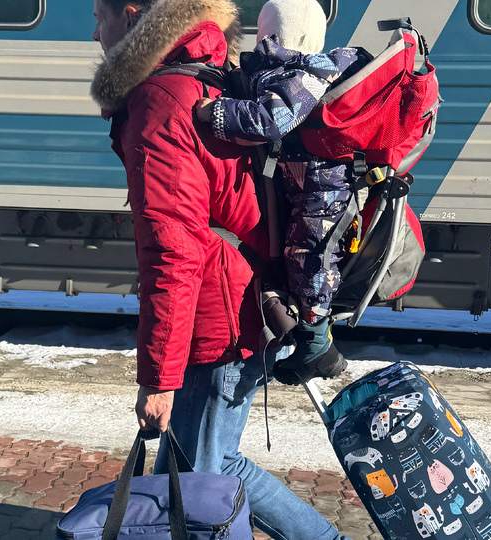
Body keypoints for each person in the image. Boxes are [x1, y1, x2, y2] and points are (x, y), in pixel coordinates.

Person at [90, 0, 351, 538]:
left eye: (99, 16)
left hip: (220, 315)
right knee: (183, 478)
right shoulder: (213, 76)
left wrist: (158, 379)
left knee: (208, 472)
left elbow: (173, 250)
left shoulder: (162, 101)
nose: (95, 33)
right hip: (238, 296)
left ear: (134, 15)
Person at [194, 0, 365, 386]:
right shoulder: (283, 72)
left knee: (311, 260)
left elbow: (271, 120)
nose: (263, 40)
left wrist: (215, 112)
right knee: (294, 257)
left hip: (324, 191)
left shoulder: (306, 75)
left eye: (268, 33)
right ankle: (306, 334)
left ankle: (319, 346)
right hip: (303, 186)